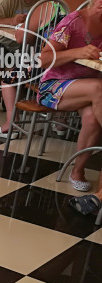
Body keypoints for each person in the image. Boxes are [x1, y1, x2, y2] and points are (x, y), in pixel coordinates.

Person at [37, 0, 102, 191]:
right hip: (53, 87)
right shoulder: (73, 21)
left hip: (87, 90)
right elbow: (43, 59)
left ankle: (77, 171)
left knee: (92, 118)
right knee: (99, 88)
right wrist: (78, 52)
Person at [0, 1, 71, 139]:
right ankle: (61, 122)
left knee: (8, 79)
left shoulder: (48, 6)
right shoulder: (87, 8)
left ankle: (11, 124)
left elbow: (20, 38)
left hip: (45, 70)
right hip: (76, 71)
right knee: (66, 73)